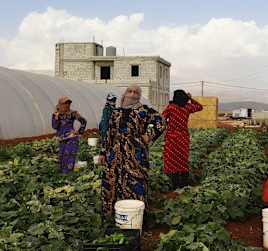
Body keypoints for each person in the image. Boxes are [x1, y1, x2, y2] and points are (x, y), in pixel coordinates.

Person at [99, 85, 166, 215]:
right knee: (113, 179)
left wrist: (148, 135)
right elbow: (107, 132)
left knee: (135, 180)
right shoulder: (115, 112)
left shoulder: (144, 110)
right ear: (125, 93)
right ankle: (113, 213)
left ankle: (136, 214)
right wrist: (103, 152)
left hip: (135, 152)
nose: (132, 94)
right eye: (130, 91)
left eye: (136, 92)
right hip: (115, 151)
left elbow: (161, 121)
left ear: (139, 95)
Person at [162, 90, 204, 190]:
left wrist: (167, 124)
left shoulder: (171, 107)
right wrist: (190, 98)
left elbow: (162, 118)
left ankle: (175, 186)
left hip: (172, 137)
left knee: (172, 161)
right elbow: (200, 107)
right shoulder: (188, 107)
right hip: (183, 137)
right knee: (183, 160)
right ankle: (184, 185)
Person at [51, 96, 87, 173]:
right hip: (62, 139)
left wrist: (79, 131)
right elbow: (55, 126)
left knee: (69, 158)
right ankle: (63, 176)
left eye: (68, 103)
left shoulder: (73, 113)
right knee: (62, 159)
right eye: (64, 104)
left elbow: (83, 121)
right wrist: (56, 117)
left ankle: (68, 176)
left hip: (71, 138)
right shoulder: (56, 114)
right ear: (60, 104)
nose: (67, 105)